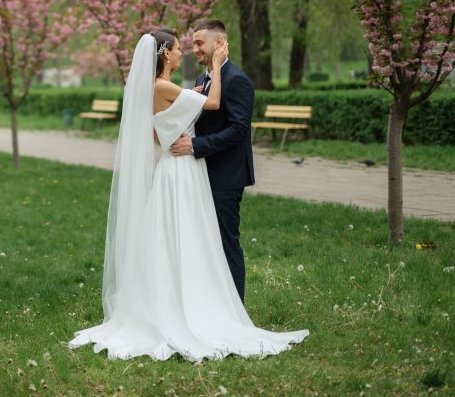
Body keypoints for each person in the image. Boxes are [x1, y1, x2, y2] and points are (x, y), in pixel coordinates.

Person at [69, 29, 308, 361]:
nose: (185, 52)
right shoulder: (168, 86)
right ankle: (201, 309)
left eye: (194, 45)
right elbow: (211, 104)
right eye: (181, 48)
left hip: (174, 165)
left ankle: (190, 301)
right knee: (189, 236)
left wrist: (184, 106)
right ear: (166, 53)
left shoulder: (159, 89)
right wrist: (216, 69)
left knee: (175, 238)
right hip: (183, 170)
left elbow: (158, 132)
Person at [170, 19, 253, 301]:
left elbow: (239, 130)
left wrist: (196, 145)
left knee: (226, 243)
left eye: (199, 43)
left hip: (226, 176)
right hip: (202, 173)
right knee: (206, 244)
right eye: (193, 44)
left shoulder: (237, 80)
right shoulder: (202, 79)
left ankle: (236, 311)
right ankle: (214, 305)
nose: (194, 49)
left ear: (219, 43)